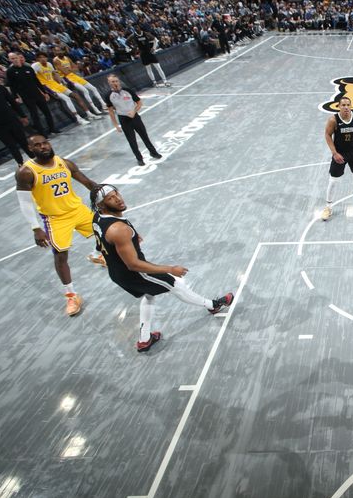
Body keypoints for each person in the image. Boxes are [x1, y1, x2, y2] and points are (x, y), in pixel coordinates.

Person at [89, 185, 234, 351]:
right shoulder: (119, 230)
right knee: (176, 284)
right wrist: (170, 269)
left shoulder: (98, 217)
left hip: (116, 272)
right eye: (110, 198)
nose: (118, 198)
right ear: (101, 204)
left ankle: (145, 339)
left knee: (150, 294)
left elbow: (102, 241)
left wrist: (132, 239)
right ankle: (213, 305)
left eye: (116, 193)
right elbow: (133, 264)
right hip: (135, 272)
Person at [15, 134, 106, 316]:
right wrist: (36, 228)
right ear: (31, 148)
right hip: (55, 218)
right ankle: (71, 295)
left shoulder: (64, 163)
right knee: (60, 256)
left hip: (77, 209)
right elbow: (25, 203)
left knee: (106, 233)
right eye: (38, 145)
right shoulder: (26, 172)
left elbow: (87, 182)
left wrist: (105, 196)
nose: (43, 147)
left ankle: (96, 254)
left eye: (45, 143)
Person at [320, 96, 353, 220]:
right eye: (343, 105)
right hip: (340, 154)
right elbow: (327, 135)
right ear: (338, 106)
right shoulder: (333, 120)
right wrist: (334, 153)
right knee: (333, 180)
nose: (345, 107)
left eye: (348, 105)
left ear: (351, 106)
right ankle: (328, 207)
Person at [104, 74, 162, 166]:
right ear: (109, 83)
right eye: (112, 81)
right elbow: (111, 111)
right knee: (132, 141)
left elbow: (139, 103)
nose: (115, 83)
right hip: (123, 120)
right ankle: (139, 158)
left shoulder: (128, 91)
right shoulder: (108, 95)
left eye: (116, 81)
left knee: (144, 136)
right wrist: (116, 125)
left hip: (135, 117)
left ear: (119, 81)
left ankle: (153, 152)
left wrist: (134, 111)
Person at [30, 52, 99, 125]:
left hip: (56, 84)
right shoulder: (35, 66)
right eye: (40, 57)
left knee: (76, 96)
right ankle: (78, 118)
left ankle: (89, 114)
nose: (43, 59)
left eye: (44, 57)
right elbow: (32, 79)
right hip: (47, 86)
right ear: (37, 59)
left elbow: (55, 74)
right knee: (67, 99)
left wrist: (61, 82)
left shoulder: (49, 64)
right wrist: (41, 91)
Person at [5, 52, 59, 136]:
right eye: (12, 58)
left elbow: (37, 81)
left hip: (37, 93)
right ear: (9, 60)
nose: (15, 59)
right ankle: (42, 133)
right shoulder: (10, 71)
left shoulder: (28, 68)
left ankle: (52, 129)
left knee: (47, 111)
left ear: (19, 58)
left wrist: (44, 92)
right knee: (35, 115)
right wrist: (15, 96)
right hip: (26, 96)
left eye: (15, 57)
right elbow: (12, 86)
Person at [52, 46, 109, 113]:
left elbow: (76, 68)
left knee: (93, 88)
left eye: (60, 50)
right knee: (85, 91)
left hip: (75, 76)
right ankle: (94, 108)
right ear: (55, 52)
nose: (60, 52)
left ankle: (104, 105)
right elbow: (65, 72)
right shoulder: (56, 60)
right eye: (57, 51)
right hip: (67, 78)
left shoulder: (67, 58)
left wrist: (71, 69)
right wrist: (71, 69)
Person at [0, 78, 33, 165]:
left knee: (24, 141)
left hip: (12, 120)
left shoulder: (0, 88)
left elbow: (12, 102)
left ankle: (35, 158)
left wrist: (23, 115)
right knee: (11, 146)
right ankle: (20, 164)